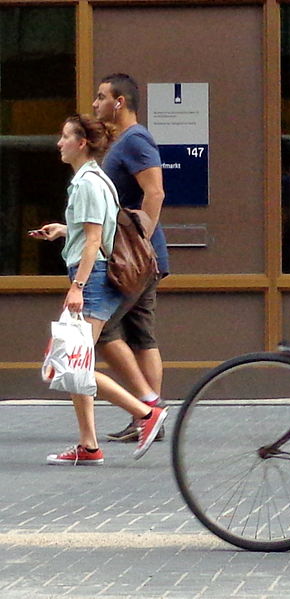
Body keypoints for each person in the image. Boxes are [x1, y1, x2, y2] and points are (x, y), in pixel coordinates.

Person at [31, 115, 168, 465]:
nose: (58, 143)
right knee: (76, 361)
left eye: (64, 137)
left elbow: (94, 241)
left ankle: (145, 412)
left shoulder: (89, 183)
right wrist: (64, 230)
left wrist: (77, 287)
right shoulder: (91, 180)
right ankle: (89, 445)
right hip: (90, 277)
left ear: (81, 144)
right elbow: (95, 230)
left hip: (91, 281)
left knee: (70, 364)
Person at [91, 73, 170, 442]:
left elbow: (155, 191)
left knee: (104, 329)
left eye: (101, 97)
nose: (96, 104)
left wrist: (144, 237)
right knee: (141, 336)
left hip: (134, 260)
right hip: (140, 259)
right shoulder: (123, 141)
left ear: (119, 102)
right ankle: (150, 417)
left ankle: (148, 409)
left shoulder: (136, 139)